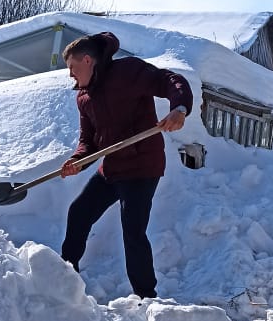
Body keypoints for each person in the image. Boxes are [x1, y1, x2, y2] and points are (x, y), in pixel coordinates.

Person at [60, 31, 193, 299]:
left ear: (87, 60)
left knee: (132, 228)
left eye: (72, 68)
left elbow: (170, 81)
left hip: (142, 167)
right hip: (112, 168)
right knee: (78, 212)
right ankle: (63, 277)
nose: (71, 76)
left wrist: (179, 108)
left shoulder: (128, 73)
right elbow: (89, 141)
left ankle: (146, 296)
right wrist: (77, 160)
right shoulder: (84, 98)